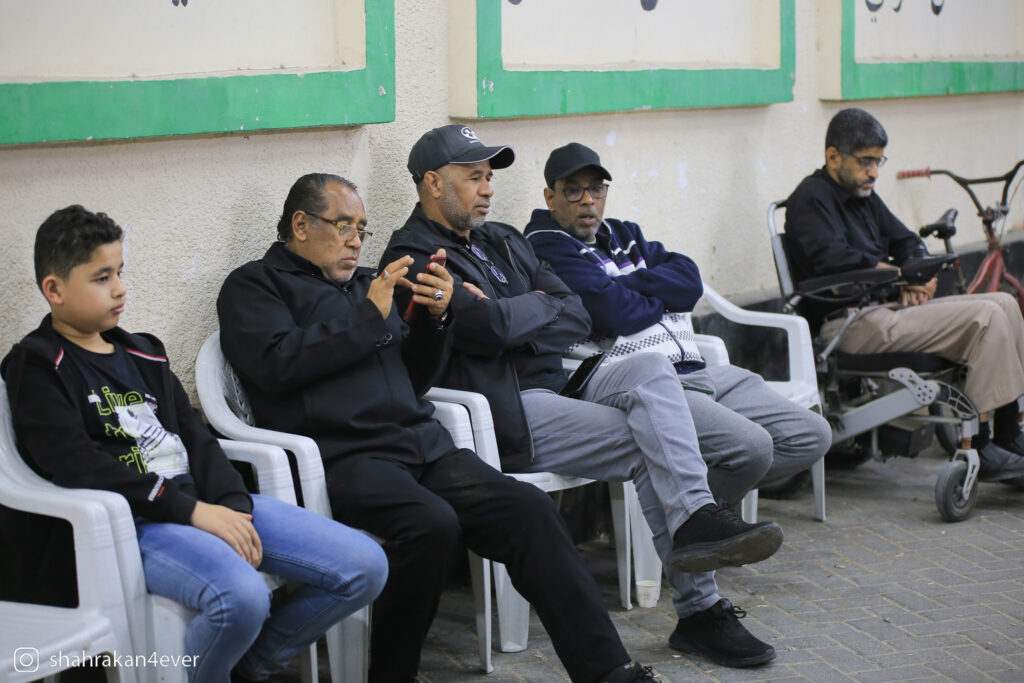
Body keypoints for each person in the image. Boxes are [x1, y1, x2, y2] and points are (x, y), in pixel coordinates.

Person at [217, 173, 659, 683]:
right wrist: (367, 318)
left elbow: (415, 377)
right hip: (344, 456)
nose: (356, 241)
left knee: (528, 509)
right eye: (343, 226)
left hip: (421, 444)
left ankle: (608, 671)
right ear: (301, 224)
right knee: (430, 525)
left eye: (361, 229)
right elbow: (276, 366)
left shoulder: (367, 286)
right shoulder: (255, 286)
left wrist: (436, 319)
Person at [381, 125, 785, 668]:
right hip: (509, 405)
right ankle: (701, 610)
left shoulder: (502, 237)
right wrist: (525, 309)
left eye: (489, 177)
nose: (489, 189)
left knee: (649, 367)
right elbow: (487, 327)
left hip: (566, 380)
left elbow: (573, 309)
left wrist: (513, 313)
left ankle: (696, 519)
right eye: (474, 177)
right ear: (433, 183)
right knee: (650, 442)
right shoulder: (414, 255)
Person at [1, 205, 389, 683]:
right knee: (242, 597)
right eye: (101, 278)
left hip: (203, 503)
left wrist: (231, 505)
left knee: (365, 565)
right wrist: (192, 512)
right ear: (54, 290)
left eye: (120, 272)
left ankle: (249, 665)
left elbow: (196, 437)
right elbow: (74, 464)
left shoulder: (143, 351)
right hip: (133, 524)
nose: (119, 289)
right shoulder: (40, 364)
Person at [522, 141, 832, 666]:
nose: (587, 201)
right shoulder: (546, 245)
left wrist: (632, 285)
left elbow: (689, 278)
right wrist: (647, 290)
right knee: (752, 448)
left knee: (811, 434)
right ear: (550, 196)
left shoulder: (624, 233)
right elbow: (611, 311)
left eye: (595, 189)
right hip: (631, 375)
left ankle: (689, 520)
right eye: (573, 191)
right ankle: (692, 542)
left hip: (696, 366)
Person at [785, 107, 1024, 480]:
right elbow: (833, 261)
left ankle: (1009, 434)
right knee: (987, 316)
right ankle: (978, 445)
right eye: (866, 161)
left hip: (887, 310)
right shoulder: (810, 199)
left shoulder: (864, 195)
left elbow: (907, 240)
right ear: (833, 157)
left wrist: (920, 275)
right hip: (849, 322)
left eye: (878, 162)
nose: (874, 172)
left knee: (1005, 303)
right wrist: (899, 277)